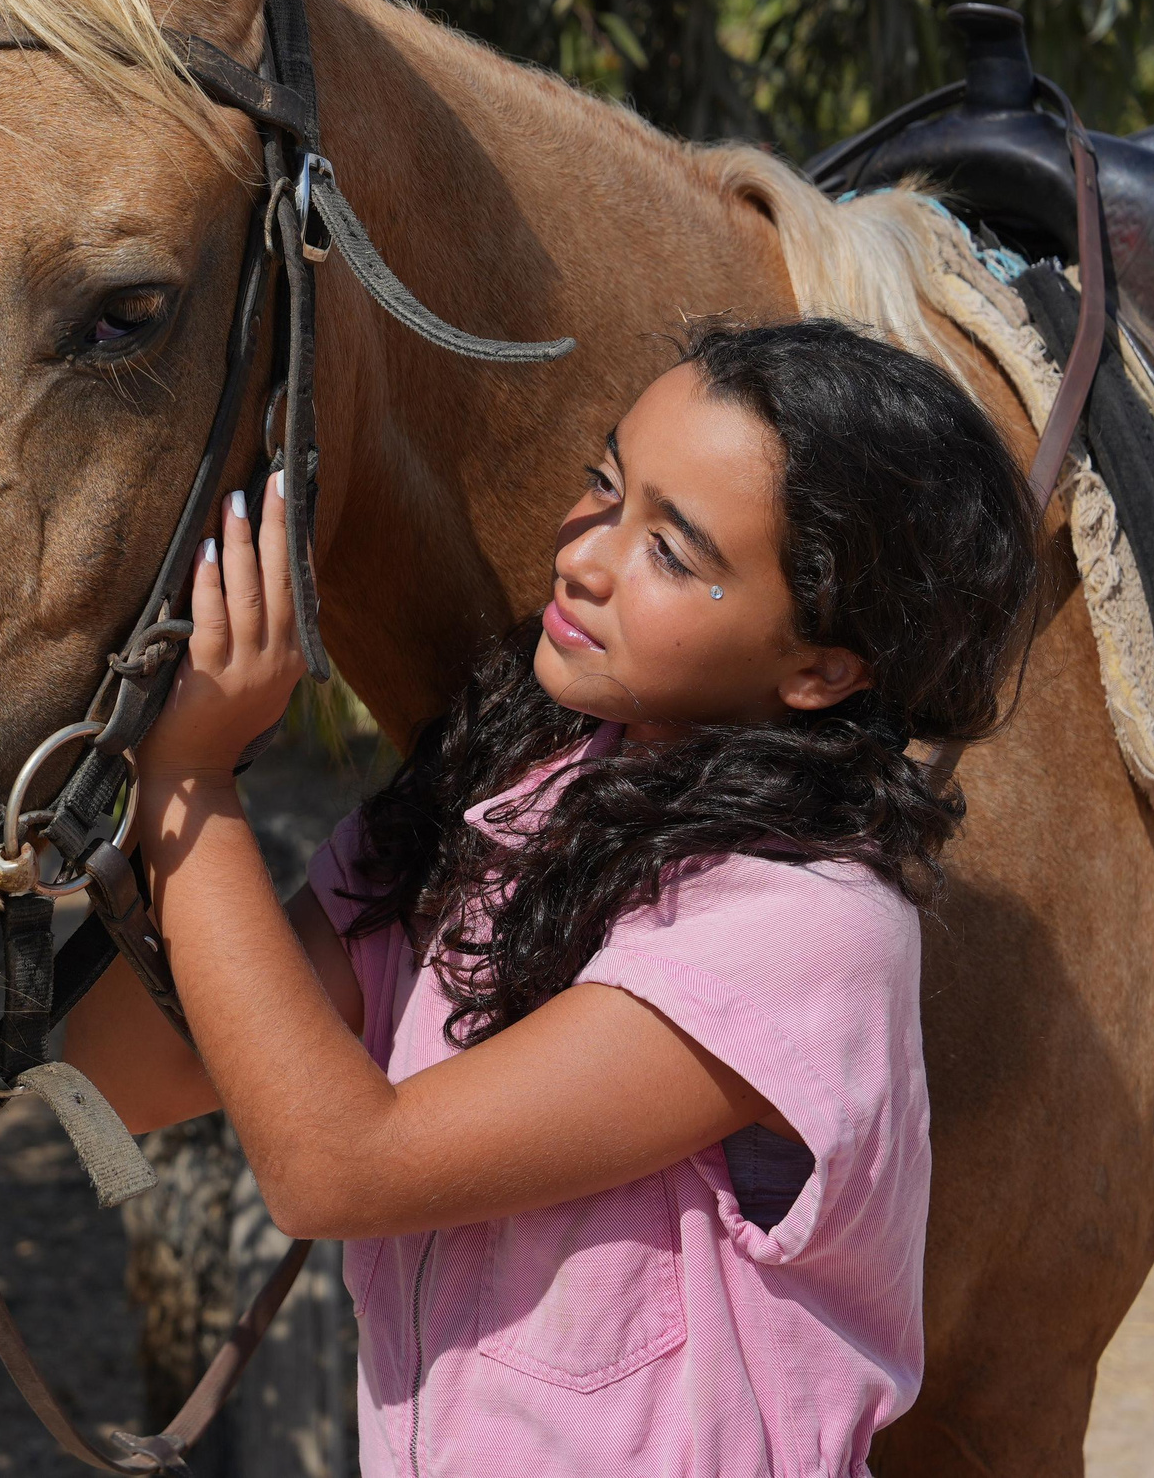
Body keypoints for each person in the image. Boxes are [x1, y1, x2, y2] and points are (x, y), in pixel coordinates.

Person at [64, 318, 1043, 1476]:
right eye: (604, 486)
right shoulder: (507, 799)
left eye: (672, 554)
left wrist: (195, 780)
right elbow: (128, 1077)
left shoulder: (806, 920)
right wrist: (137, 764)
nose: (584, 556)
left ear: (821, 666)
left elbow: (338, 1169)